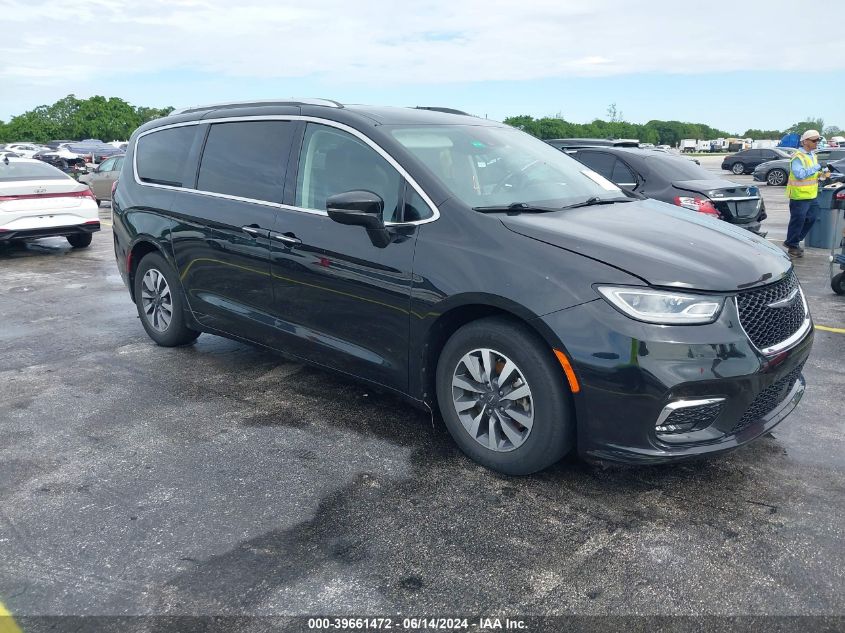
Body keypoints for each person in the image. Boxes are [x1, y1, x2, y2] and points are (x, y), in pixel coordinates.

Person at [783, 129, 830, 258]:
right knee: (798, 220)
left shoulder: (812, 155)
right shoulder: (798, 157)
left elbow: (811, 173)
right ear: (805, 142)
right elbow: (800, 174)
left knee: (812, 218)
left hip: (811, 194)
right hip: (799, 195)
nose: (817, 142)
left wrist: (821, 175)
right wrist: (817, 167)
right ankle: (793, 245)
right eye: (814, 140)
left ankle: (793, 241)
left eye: (818, 140)